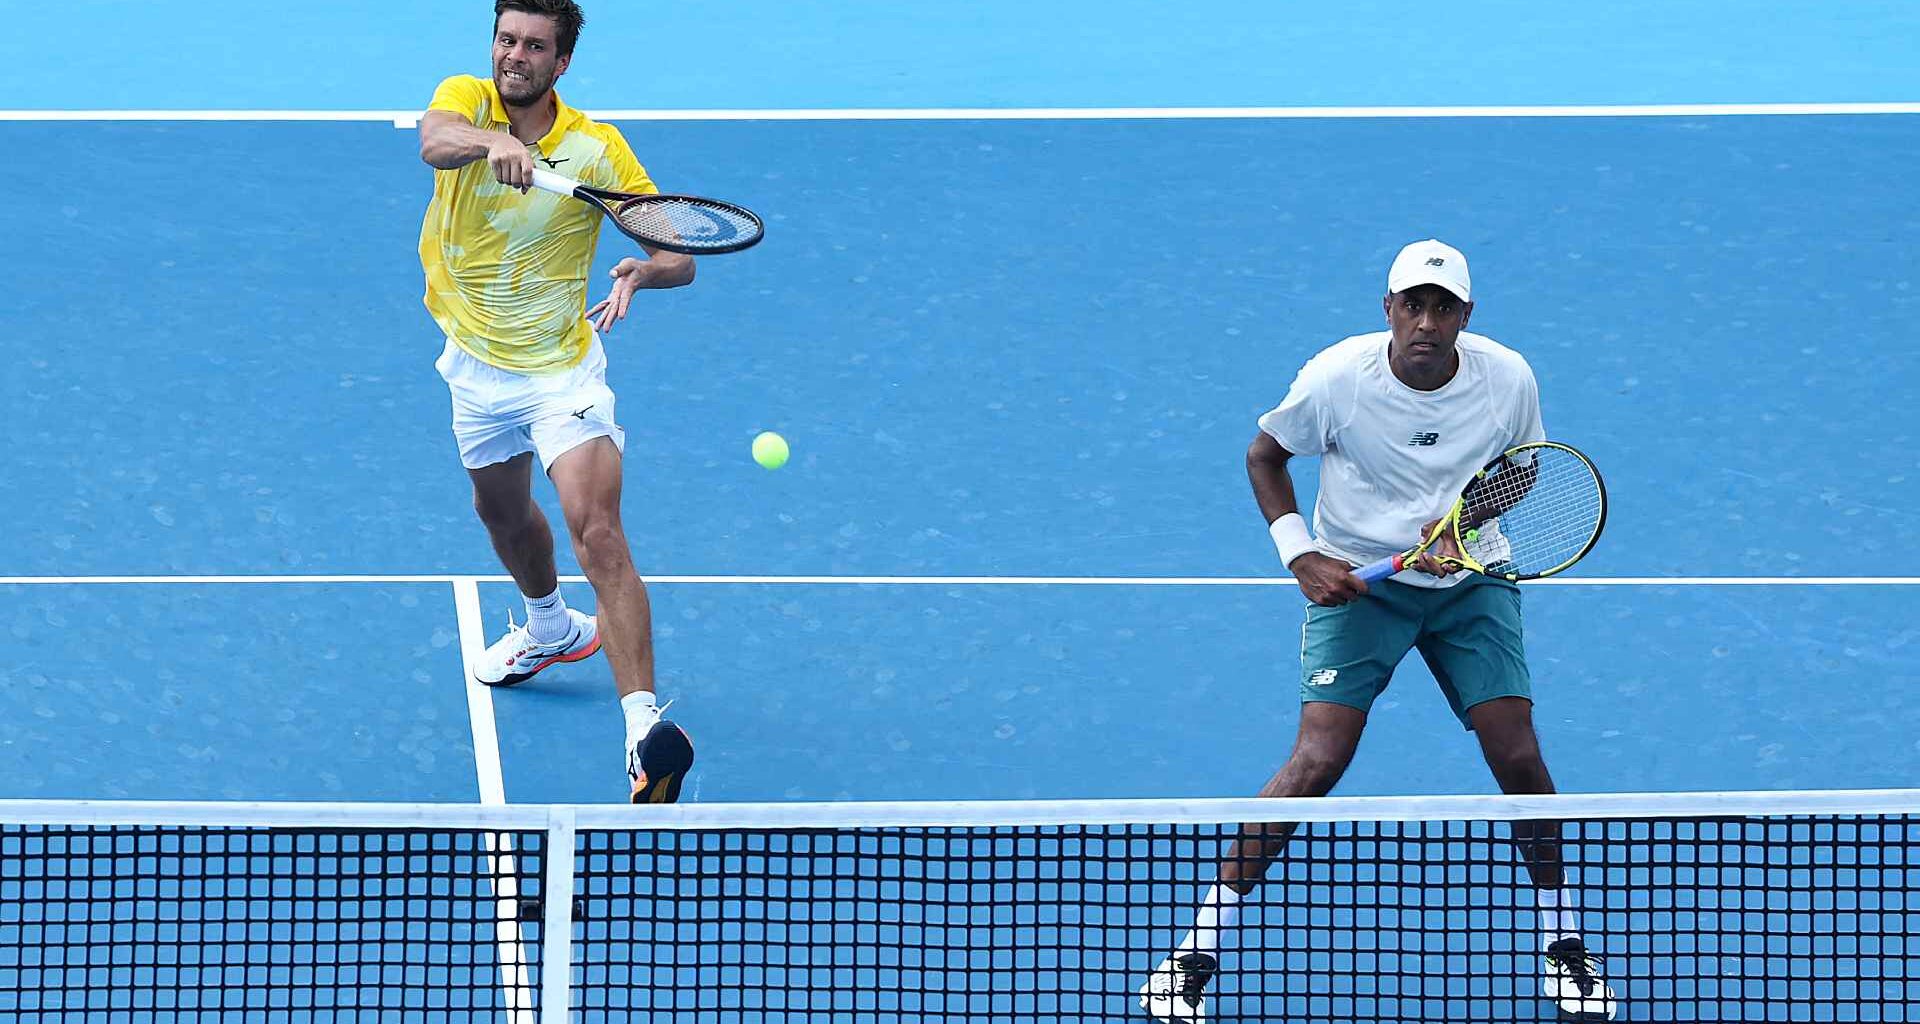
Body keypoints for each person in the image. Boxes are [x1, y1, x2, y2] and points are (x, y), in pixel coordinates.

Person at [1138, 240, 1617, 1021]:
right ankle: (1197, 948)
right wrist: (1301, 554)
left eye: (1443, 308)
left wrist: (1467, 521)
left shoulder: (1507, 379)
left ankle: (1564, 941)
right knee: (1318, 761)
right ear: (1387, 308)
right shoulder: (1336, 380)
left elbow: (1525, 467)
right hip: (1364, 582)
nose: (1426, 322)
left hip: (1469, 581)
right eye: (1412, 305)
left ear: (1466, 315)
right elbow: (1265, 456)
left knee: (1518, 755)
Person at [416, 0, 695, 803]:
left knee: (596, 530)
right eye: (506, 39)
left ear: (560, 63)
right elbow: (435, 141)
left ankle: (643, 732)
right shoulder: (467, 102)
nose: (515, 55)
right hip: (474, 363)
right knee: (502, 516)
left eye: (534, 45)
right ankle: (549, 628)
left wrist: (646, 269)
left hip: (559, 373)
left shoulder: (596, 149)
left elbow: (677, 252)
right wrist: (494, 142)